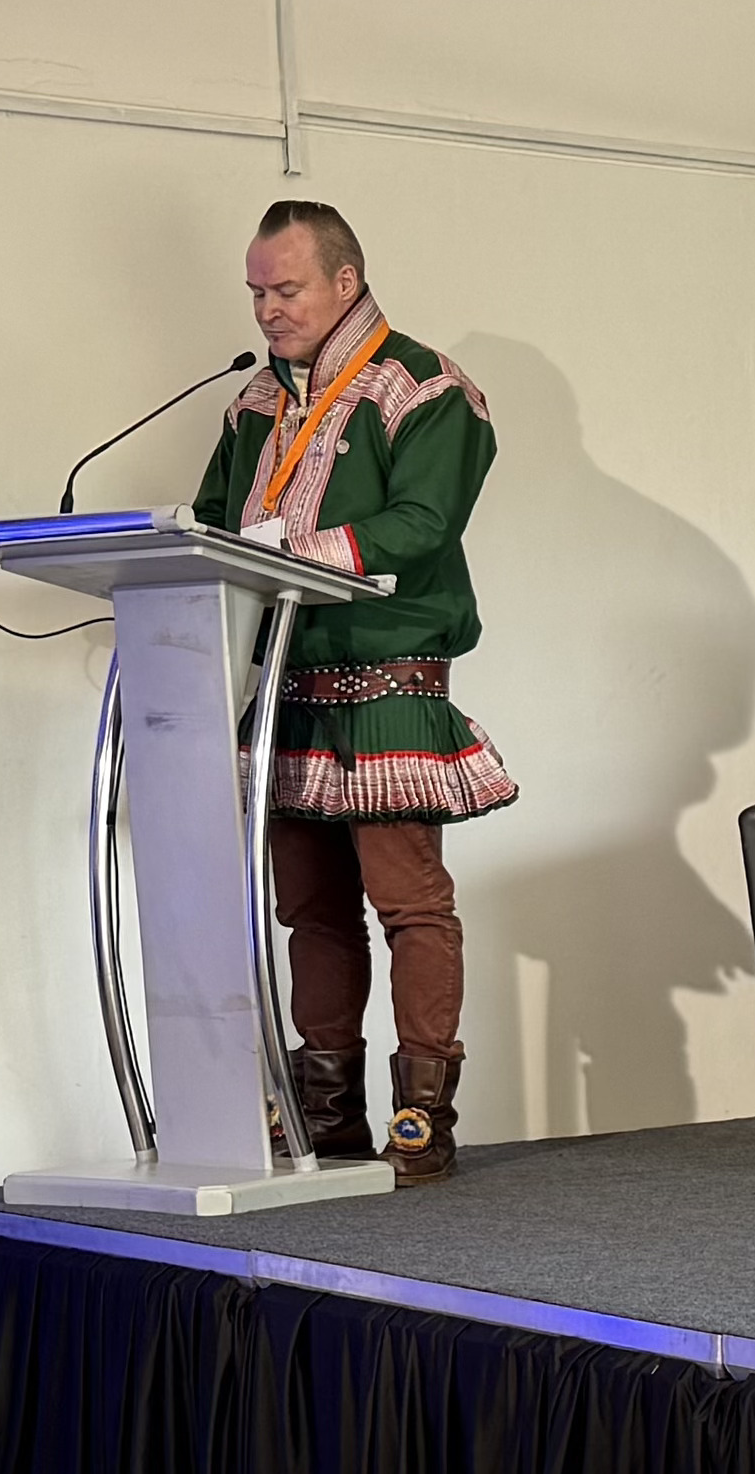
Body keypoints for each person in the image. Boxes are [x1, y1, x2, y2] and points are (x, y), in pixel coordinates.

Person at [193, 200, 517, 1183]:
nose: (265, 309)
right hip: (286, 680)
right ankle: (325, 1115)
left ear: (345, 280)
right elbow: (212, 521)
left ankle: (423, 1120)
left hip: (387, 679)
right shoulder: (257, 404)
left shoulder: (423, 388)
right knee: (313, 914)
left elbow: (423, 521)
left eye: (284, 288)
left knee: (409, 905)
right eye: (255, 290)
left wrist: (287, 549)